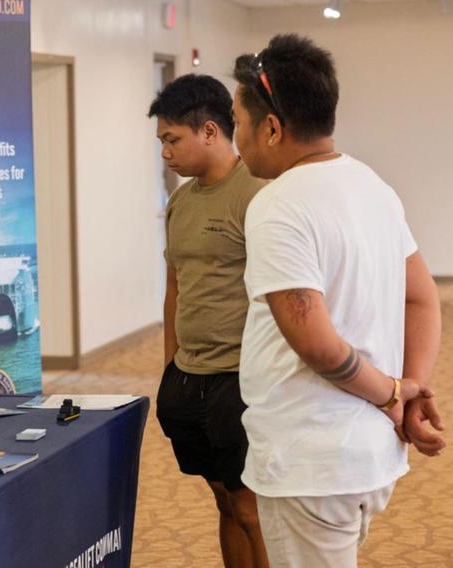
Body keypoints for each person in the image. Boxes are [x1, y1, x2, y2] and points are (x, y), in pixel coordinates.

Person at [232, 34, 445, 567]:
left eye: (237, 122)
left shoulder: (278, 205)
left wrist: (394, 394)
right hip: (367, 458)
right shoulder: (372, 185)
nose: (236, 140)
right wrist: (411, 391)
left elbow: (319, 345)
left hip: (313, 462)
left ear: (273, 128)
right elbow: (424, 299)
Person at [149, 74, 269, 568]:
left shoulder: (258, 194)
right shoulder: (180, 202)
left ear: (211, 131)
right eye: (162, 142)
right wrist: (169, 366)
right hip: (189, 378)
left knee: (251, 507)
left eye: (172, 139)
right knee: (222, 500)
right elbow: (175, 289)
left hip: (240, 379)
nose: (166, 153)